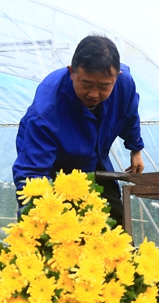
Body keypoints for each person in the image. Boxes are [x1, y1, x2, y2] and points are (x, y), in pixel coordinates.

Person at [12, 35, 145, 226]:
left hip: (94, 159)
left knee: (113, 227)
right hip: (53, 165)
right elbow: (32, 172)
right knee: (56, 227)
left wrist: (135, 149)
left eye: (104, 87)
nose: (94, 94)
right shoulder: (46, 112)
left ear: (117, 77)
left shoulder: (125, 85)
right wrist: (38, 220)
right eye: (86, 84)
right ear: (72, 72)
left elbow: (129, 114)